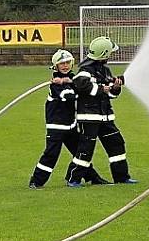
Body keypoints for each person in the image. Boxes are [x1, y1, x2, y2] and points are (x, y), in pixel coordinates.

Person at [28, 49, 109, 189]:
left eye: (67, 63)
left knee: (81, 152)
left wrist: (69, 80)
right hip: (56, 127)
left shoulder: (73, 78)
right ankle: (36, 181)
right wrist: (69, 84)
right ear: (56, 66)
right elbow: (69, 95)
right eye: (61, 64)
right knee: (51, 154)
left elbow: (79, 85)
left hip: (71, 126)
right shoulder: (55, 84)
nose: (65, 66)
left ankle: (93, 177)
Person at [65, 36, 137, 187]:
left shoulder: (105, 71)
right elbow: (79, 84)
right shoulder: (86, 71)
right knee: (86, 148)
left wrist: (115, 88)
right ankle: (73, 178)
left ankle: (121, 177)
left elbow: (110, 93)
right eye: (109, 53)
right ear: (104, 54)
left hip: (105, 117)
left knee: (117, 144)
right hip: (89, 117)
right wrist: (100, 88)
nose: (111, 56)